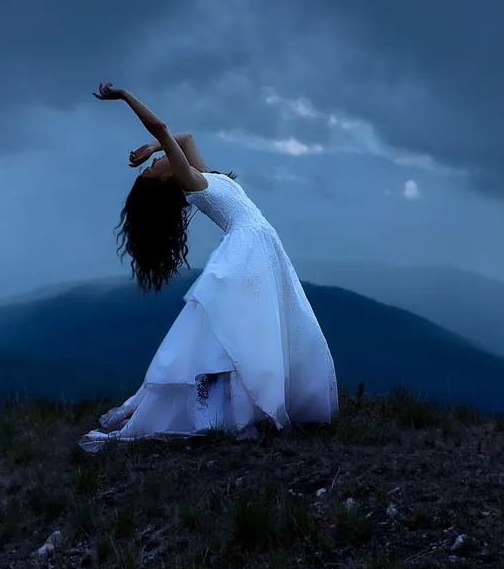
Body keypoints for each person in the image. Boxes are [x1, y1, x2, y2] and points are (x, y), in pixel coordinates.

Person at [80, 82, 338, 451]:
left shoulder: (202, 175)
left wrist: (155, 147)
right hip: (246, 250)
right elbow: (165, 130)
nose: (153, 163)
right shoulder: (191, 181)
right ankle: (221, 412)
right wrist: (124, 98)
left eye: (152, 163)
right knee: (230, 333)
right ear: (168, 178)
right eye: (153, 168)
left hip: (260, 247)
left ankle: (232, 408)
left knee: (249, 329)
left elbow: (181, 137)